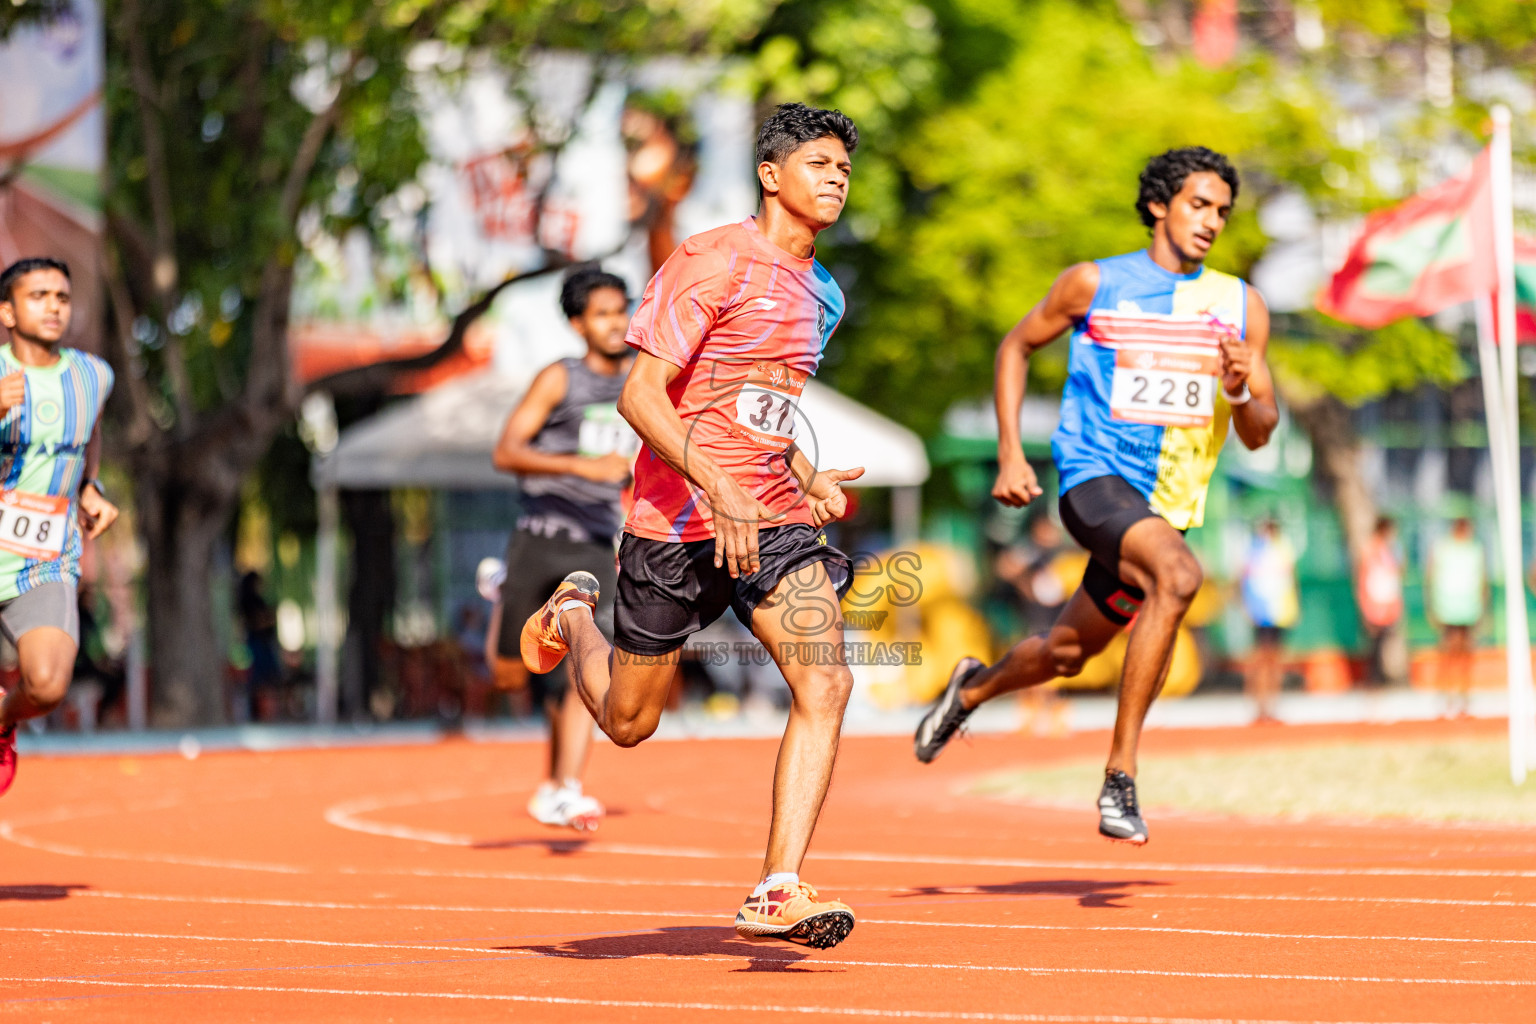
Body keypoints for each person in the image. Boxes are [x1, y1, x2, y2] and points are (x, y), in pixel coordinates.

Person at [519, 103, 865, 949]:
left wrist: (806, 476)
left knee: (828, 684)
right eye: (818, 164)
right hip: (672, 523)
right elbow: (642, 396)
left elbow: (763, 411)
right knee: (631, 724)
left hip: (774, 523)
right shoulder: (711, 262)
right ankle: (570, 614)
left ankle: (776, 888)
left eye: (844, 170)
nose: (835, 180)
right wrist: (716, 485)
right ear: (771, 174)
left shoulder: (824, 293)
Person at [913, 147, 1278, 846]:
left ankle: (970, 689)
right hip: (1092, 481)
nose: (1211, 222)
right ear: (1158, 206)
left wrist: (1238, 387)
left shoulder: (1241, 306)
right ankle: (1121, 776)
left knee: (1065, 654)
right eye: (1199, 205)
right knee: (1178, 576)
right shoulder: (1093, 283)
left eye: (1223, 212)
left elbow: (1260, 433)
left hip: (1163, 508)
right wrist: (1012, 452)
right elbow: (1015, 347)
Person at [486, 265, 638, 831]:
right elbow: (506, 452)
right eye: (601, 313)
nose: (615, 322)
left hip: (596, 545)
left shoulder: (643, 380)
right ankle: (500, 590)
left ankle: (566, 788)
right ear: (578, 323)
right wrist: (581, 465)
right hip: (539, 535)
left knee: (587, 666)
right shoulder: (560, 379)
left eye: (621, 309)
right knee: (510, 678)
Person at [0, 257, 118, 796]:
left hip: (43, 559)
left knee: (46, 685)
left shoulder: (92, 375)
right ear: (7, 310)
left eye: (62, 297)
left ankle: (2, 723)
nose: (52, 306)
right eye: (38, 295)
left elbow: (88, 429)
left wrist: (89, 485)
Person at [1240, 518, 1298, 724]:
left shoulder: (1282, 549)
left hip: (1278, 613)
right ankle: (1259, 707)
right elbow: (1244, 580)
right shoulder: (1255, 551)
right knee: (1260, 661)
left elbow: (1290, 580)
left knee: (1274, 661)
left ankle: (1271, 707)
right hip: (1261, 614)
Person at [1426, 517, 1486, 717]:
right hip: (1448, 608)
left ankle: (1464, 699)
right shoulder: (1443, 548)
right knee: (1447, 654)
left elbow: (1482, 580)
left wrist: (1483, 609)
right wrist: (1432, 607)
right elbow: (1431, 576)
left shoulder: (1475, 550)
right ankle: (1445, 699)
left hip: (1469, 609)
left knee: (1466, 655)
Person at [1356, 516, 1404, 686]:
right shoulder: (1370, 549)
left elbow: (1396, 576)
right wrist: (1366, 606)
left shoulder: (1389, 550)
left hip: (1386, 605)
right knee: (1374, 647)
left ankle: (1379, 679)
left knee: (1382, 645)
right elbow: (1365, 580)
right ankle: (1373, 681)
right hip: (1374, 606)